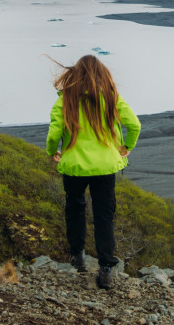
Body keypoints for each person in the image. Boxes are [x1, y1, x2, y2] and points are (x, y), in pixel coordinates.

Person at [46, 54, 141, 289]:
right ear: (102, 74)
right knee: (104, 215)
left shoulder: (65, 99)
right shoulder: (111, 97)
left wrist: (52, 151)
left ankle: (77, 256)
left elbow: (54, 132)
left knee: (75, 209)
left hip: (74, 166)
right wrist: (126, 147)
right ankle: (105, 268)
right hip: (105, 167)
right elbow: (135, 124)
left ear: (75, 75)